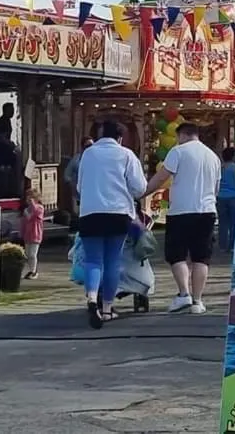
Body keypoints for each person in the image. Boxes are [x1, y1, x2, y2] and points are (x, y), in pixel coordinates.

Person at [77, 119, 147, 328]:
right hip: (118, 213)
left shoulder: (88, 154)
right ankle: (107, 309)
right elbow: (139, 187)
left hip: (90, 212)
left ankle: (91, 299)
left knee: (93, 260)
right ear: (120, 137)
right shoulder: (126, 155)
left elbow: (80, 186)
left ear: (99, 135)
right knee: (112, 261)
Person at [145, 123, 221, 314]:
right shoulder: (213, 157)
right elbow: (216, 188)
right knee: (201, 258)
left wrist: (143, 192)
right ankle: (197, 302)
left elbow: (161, 178)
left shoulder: (178, 152)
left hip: (180, 211)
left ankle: (183, 294)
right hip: (207, 211)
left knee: (176, 254)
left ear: (181, 135)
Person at [216, 146, 235, 252]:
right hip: (234, 197)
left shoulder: (219, 167)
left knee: (223, 223)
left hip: (220, 197)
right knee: (234, 223)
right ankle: (232, 245)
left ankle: (222, 246)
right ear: (233, 156)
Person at [20, 188, 45, 279]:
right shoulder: (26, 210)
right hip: (28, 234)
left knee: (32, 254)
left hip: (36, 233)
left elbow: (33, 215)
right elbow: (24, 222)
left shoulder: (40, 208)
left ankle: (34, 271)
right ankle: (31, 270)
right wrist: (22, 232)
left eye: (32, 198)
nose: (30, 200)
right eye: (28, 198)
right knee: (27, 254)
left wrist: (33, 204)